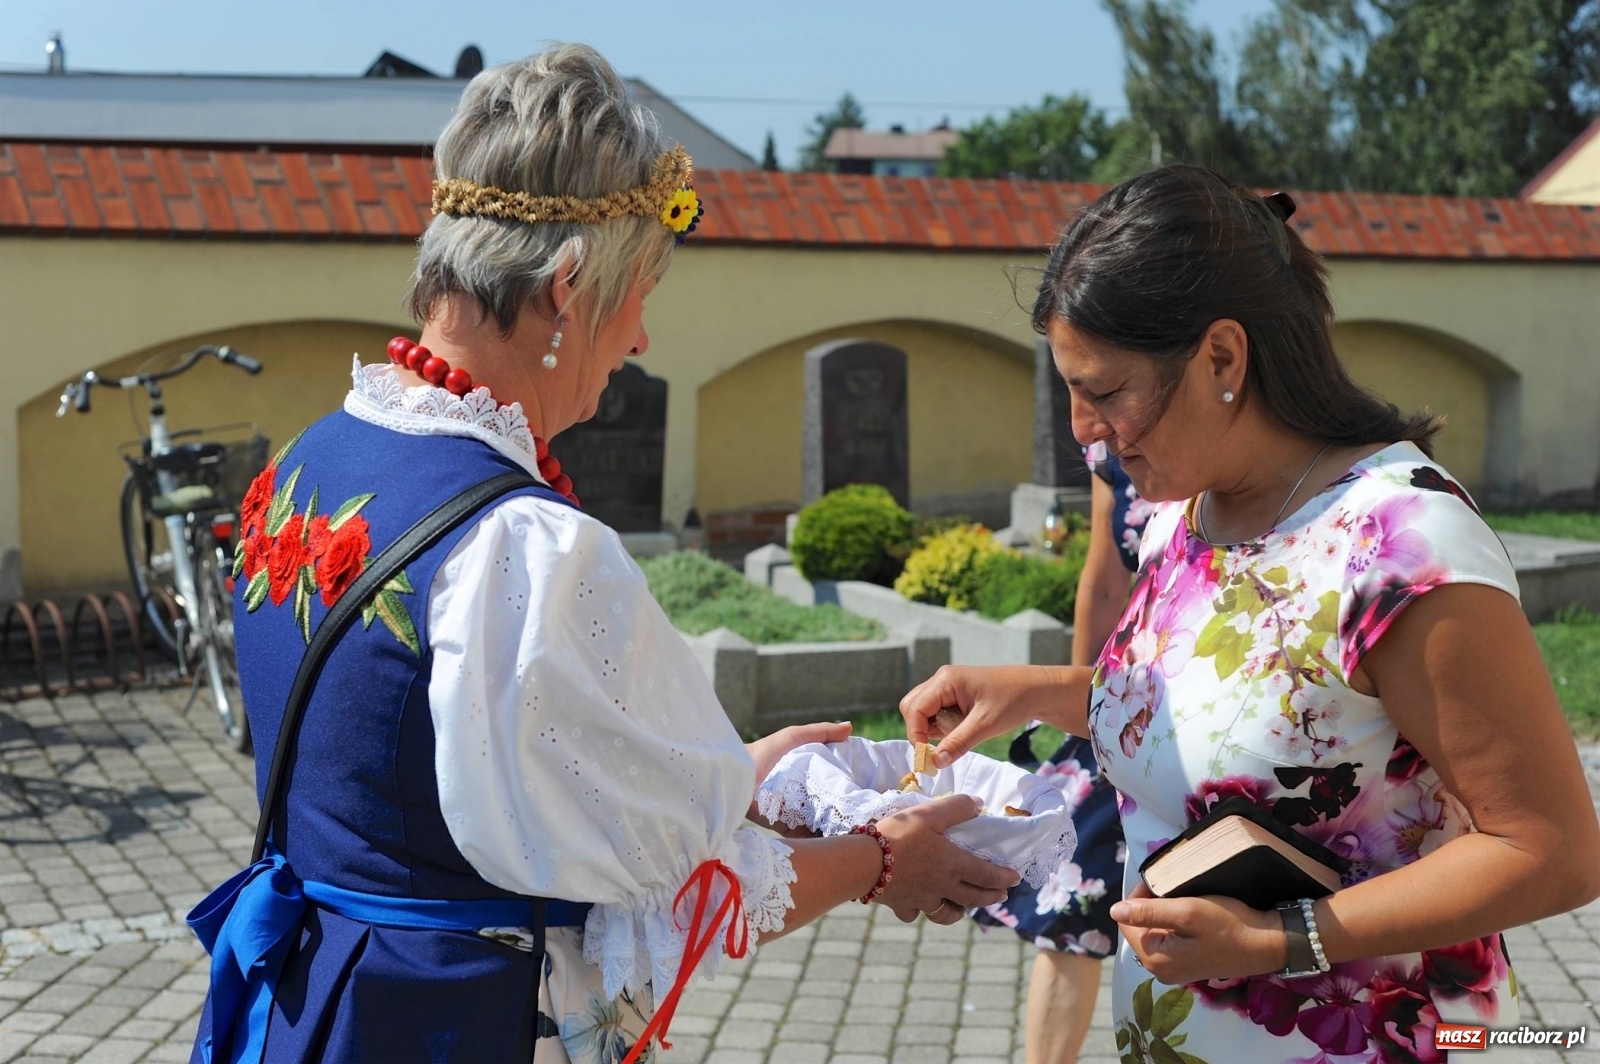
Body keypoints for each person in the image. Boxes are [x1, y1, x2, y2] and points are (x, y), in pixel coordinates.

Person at [188, 45, 1018, 1064]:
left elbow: (456, 781)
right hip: (442, 1024)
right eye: (640, 293)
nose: (639, 340)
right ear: (567, 288)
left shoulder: (312, 459)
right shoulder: (523, 546)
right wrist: (881, 858)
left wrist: (734, 776)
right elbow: (657, 901)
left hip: (310, 999)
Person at [903, 164, 1600, 1062]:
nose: (1083, 429)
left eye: (1106, 391)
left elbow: (1549, 849)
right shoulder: (1180, 510)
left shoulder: (1402, 542)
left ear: (1222, 359)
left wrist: (1280, 940)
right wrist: (1034, 691)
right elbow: (1232, 708)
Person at [972, 444, 1149, 1064]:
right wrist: (1081, 705)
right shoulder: (1111, 456)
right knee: (1071, 901)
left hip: (1232, 731)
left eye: (1096, 387)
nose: (1080, 420)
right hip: (1127, 704)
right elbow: (1104, 584)